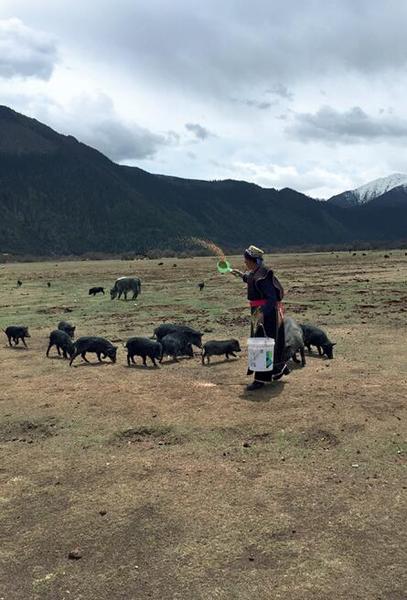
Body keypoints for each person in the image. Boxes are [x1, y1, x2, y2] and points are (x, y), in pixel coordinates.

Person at [231, 245, 289, 391]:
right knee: (267, 342)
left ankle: (260, 379)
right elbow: (251, 279)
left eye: (246, 260)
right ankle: (278, 369)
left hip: (265, 313)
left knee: (261, 344)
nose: (244, 262)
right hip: (259, 311)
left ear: (253, 261)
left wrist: (262, 313)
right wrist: (241, 275)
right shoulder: (257, 273)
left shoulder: (264, 276)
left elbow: (271, 298)